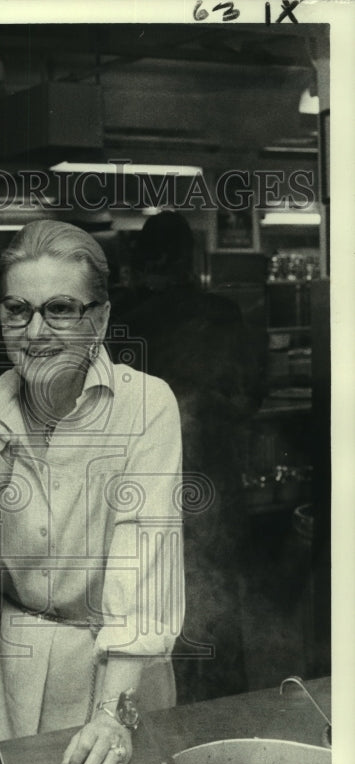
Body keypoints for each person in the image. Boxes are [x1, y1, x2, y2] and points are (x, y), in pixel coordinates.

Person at [0, 220, 185, 764]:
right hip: (9, 665)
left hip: (116, 671)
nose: (35, 332)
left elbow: (145, 563)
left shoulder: (146, 405)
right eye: (18, 310)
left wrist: (113, 715)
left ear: (101, 319)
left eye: (60, 309)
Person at [114, 210, 266, 702]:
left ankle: (167, 732)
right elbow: (251, 396)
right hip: (217, 490)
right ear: (189, 259)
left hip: (151, 495)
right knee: (217, 616)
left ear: (144, 261)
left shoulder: (125, 324)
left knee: (157, 613)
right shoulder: (223, 316)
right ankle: (222, 721)